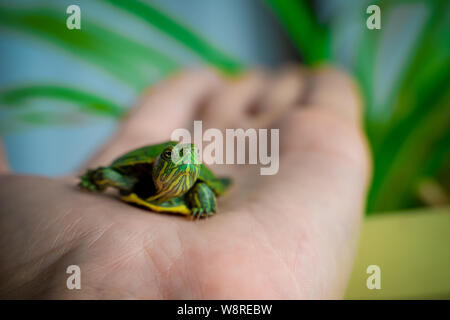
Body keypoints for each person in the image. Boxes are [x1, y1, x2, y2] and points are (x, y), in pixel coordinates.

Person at [0, 66, 370, 299]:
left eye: (190, 162)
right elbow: (113, 174)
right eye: (176, 158)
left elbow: (207, 186)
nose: (184, 163)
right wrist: (97, 179)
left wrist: (206, 201)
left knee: (212, 187)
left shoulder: (197, 187)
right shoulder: (133, 178)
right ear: (160, 163)